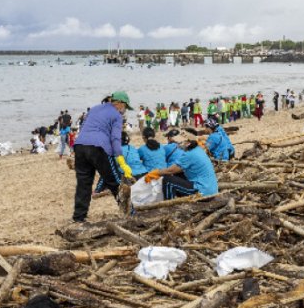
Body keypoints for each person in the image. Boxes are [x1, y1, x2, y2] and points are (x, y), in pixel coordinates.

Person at [72, 91, 134, 222]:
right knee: (114, 181)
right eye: (125, 107)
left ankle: (79, 217)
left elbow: (83, 128)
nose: (125, 110)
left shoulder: (94, 109)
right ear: (120, 104)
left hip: (80, 146)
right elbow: (115, 139)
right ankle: (129, 213)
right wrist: (121, 161)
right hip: (99, 148)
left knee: (84, 183)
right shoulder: (116, 115)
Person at [144, 139, 218, 199]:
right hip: (211, 190)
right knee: (178, 174)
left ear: (187, 143)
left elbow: (170, 170)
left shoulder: (189, 154)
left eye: (180, 143)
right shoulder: (198, 150)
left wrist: (155, 172)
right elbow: (177, 169)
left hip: (203, 192)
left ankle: (169, 205)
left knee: (167, 180)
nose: (178, 145)